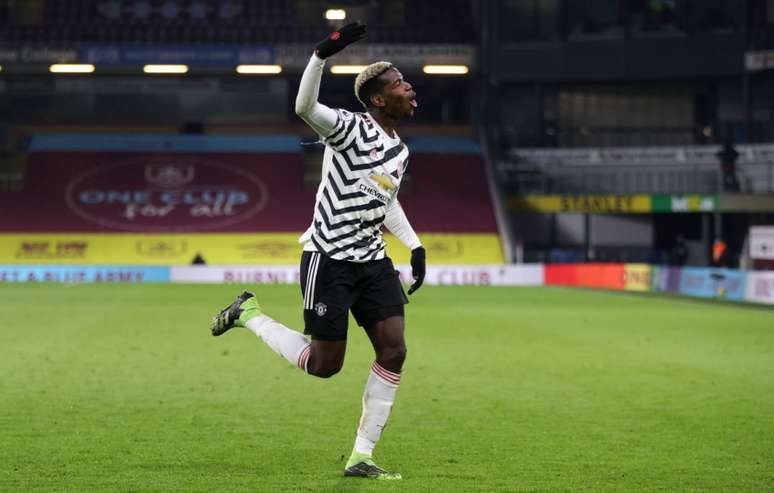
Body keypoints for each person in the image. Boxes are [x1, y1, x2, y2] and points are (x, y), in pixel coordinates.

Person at [209, 22, 425, 480]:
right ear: (380, 100)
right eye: (400, 84)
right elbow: (304, 105)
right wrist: (322, 54)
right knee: (325, 366)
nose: (410, 87)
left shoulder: (399, 151)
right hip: (329, 259)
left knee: (394, 349)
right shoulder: (348, 129)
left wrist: (415, 244)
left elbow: (386, 199)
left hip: (373, 261)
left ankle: (360, 457)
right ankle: (249, 314)